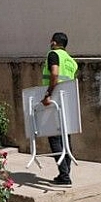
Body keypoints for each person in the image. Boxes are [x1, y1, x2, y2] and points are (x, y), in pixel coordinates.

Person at [41, 32, 78, 187]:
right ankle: (65, 174)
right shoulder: (71, 61)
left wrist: (48, 94)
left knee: (55, 138)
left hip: (55, 100)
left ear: (54, 42)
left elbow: (54, 73)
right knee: (65, 138)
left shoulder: (53, 54)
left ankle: (64, 176)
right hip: (67, 101)